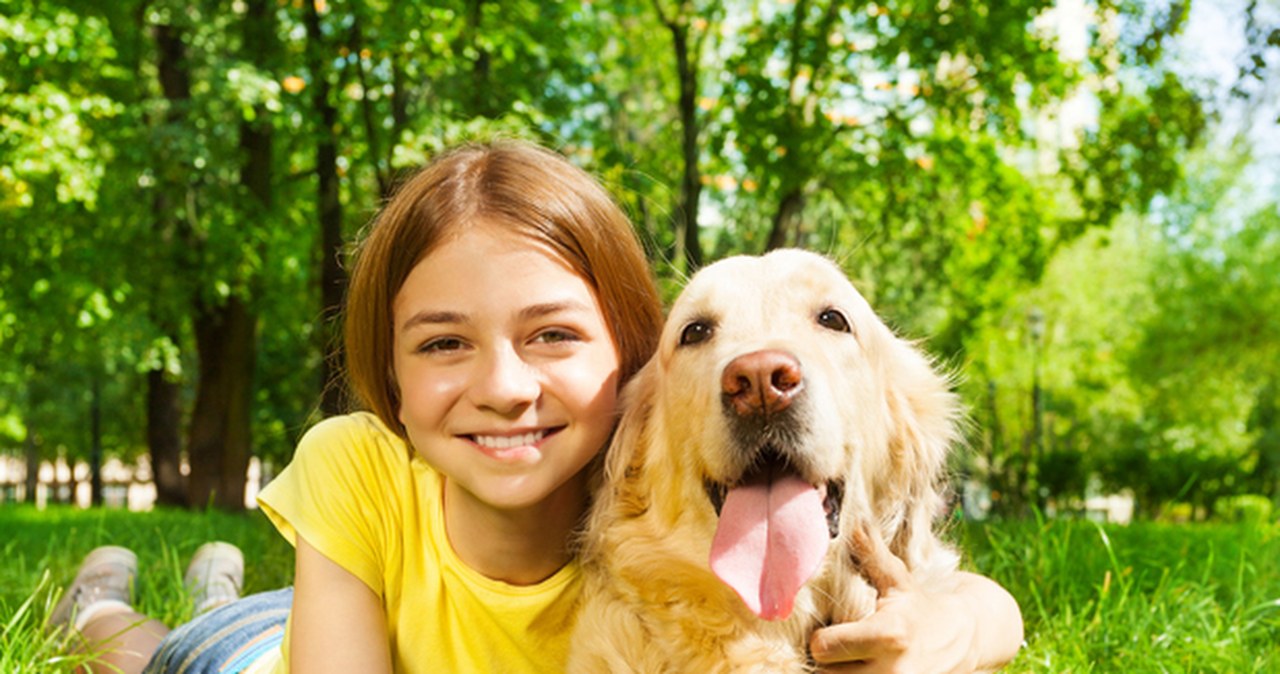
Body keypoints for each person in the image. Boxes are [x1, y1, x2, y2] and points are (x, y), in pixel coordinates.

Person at [51, 140, 1024, 673]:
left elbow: (972, 600)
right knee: (159, 655)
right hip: (285, 658)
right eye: (442, 341)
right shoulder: (368, 464)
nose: (507, 386)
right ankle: (100, 602)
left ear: (617, 381)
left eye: (552, 335)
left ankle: (221, 581)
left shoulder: (592, 448)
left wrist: (965, 623)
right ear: (650, 427)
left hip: (337, 615)